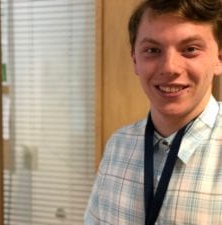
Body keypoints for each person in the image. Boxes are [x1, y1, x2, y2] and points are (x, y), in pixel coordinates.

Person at [84, 0, 222, 224]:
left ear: (219, 59)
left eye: (190, 49)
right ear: (135, 60)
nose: (169, 67)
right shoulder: (117, 146)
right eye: (152, 50)